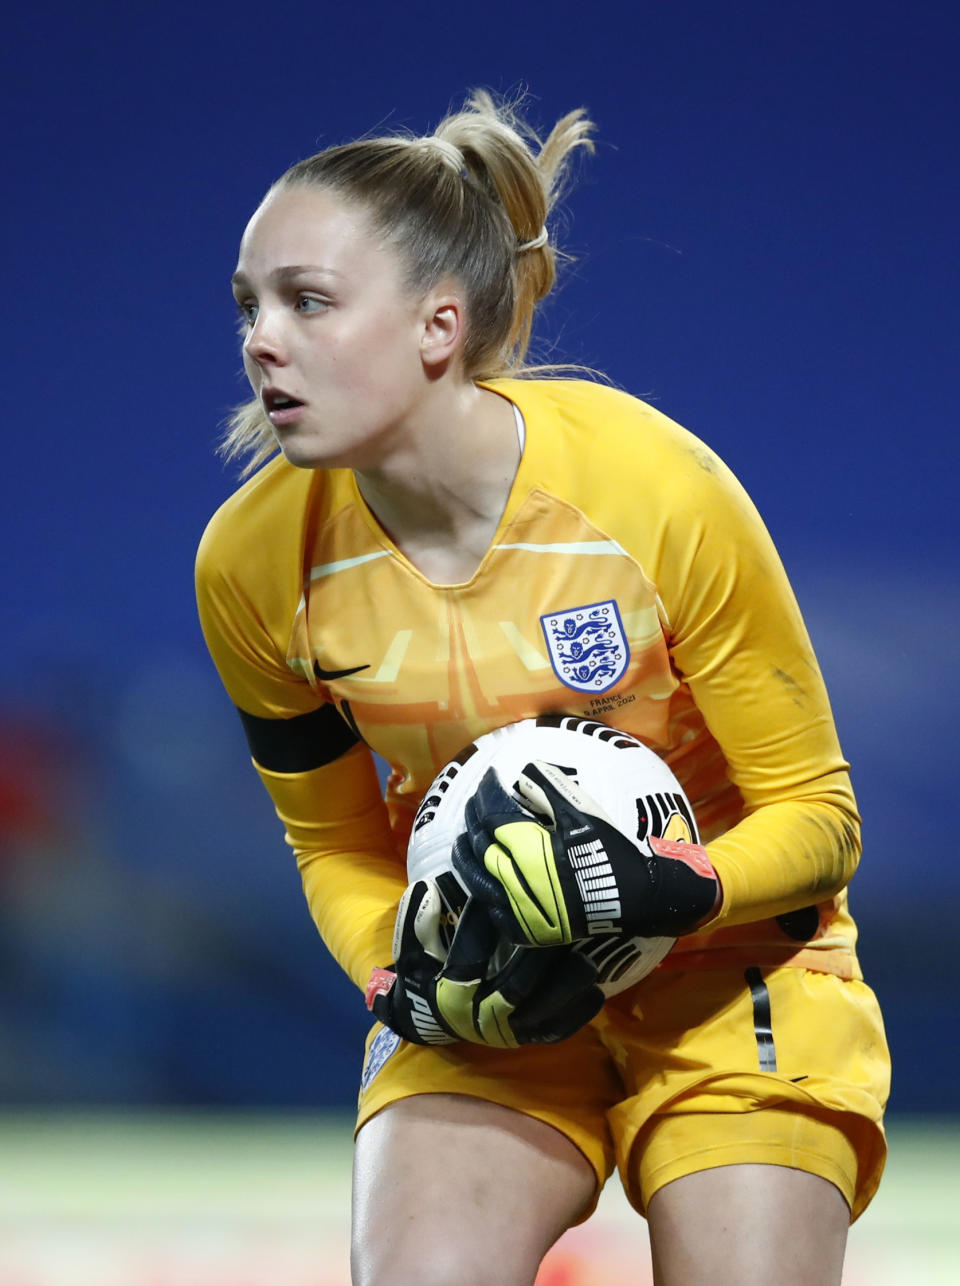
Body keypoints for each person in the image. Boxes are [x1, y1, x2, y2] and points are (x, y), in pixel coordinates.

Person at [196, 90, 890, 1286]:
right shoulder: (251, 562)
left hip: (737, 970)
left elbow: (822, 819)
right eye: (250, 304)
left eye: (307, 301)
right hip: (486, 980)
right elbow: (335, 845)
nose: (263, 338)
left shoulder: (654, 485)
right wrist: (395, 968)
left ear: (439, 324)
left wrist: (675, 887)